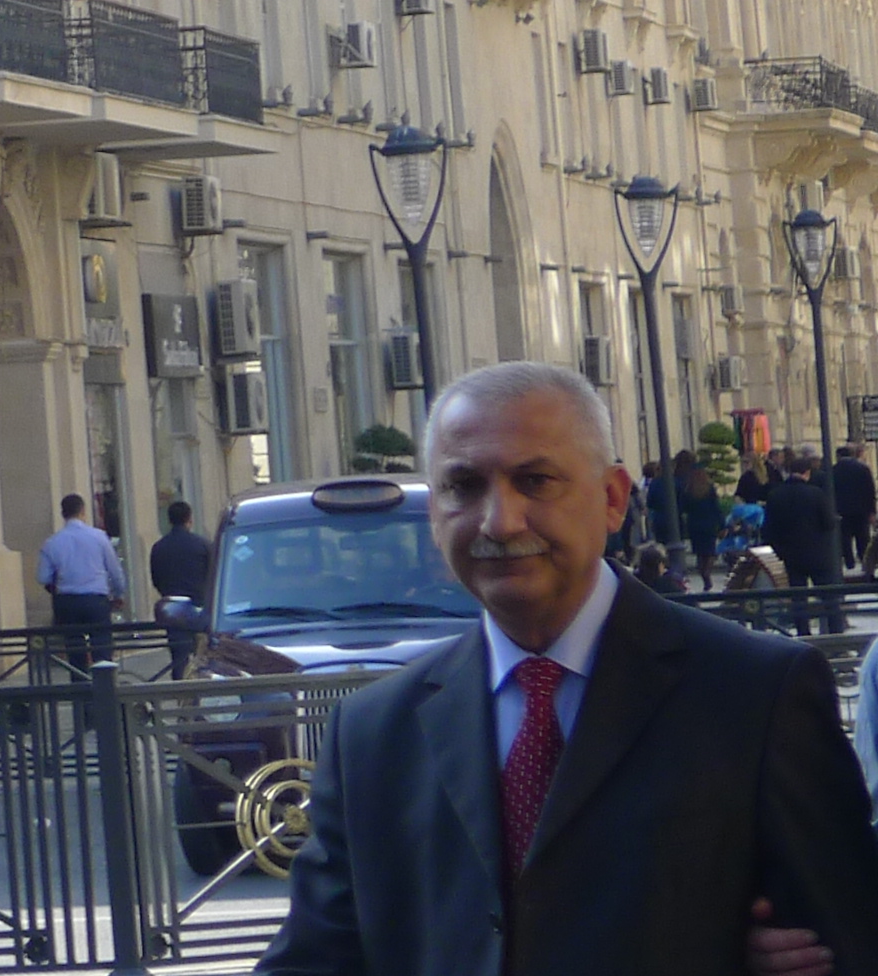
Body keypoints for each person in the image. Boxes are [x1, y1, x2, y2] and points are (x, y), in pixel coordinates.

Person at [251, 361, 878, 976]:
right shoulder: (372, 733)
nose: (500, 521)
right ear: (434, 513)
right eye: (464, 486)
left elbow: (847, 938)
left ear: (612, 498)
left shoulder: (756, 695)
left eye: (535, 481)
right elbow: (313, 959)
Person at [35, 493, 124, 664]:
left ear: (63, 514)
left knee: (74, 648)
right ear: (83, 511)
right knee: (102, 646)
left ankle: (79, 678)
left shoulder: (52, 542)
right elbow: (115, 571)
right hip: (96, 599)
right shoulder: (99, 537)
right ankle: (103, 678)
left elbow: (43, 577)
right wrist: (119, 594)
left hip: (67, 601)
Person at [760, 452, 843, 632]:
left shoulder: (775, 495)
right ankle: (835, 632)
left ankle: (803, 632)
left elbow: (768, 529)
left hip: (790, 555)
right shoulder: (816, 493)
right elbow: (828, 523)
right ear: (807, 473)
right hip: (818, 554)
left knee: (798, 598)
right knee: (829, 596)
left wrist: (779, 549)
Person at [148, 500, 214, 675]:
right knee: (204, 655)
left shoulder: (159, 547)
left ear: (169, 521)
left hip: (173, 609)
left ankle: (180, 687)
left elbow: (156, 579)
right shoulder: (203, 545)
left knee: (178, 658)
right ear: (189, 520)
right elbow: (213, 575)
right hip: (200, 607)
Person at [672, 451, 726, 580]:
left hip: (694, 523)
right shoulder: (709, 488)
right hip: (709, 523)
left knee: (699, 553)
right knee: (710, 551)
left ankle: (702, 572)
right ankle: (707, 571)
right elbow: (716, 507)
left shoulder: (687, 489)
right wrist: (722, 524)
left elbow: (682, 507)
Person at [835, 443, 874, 576]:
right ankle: (865, 563)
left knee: (845, 539)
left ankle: (849, 563)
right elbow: (870, 490)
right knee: (863, 537)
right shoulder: (863, 468)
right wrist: (872, 511)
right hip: (861, 510)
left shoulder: (833, 470)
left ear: (838, 456)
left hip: (842, 511)